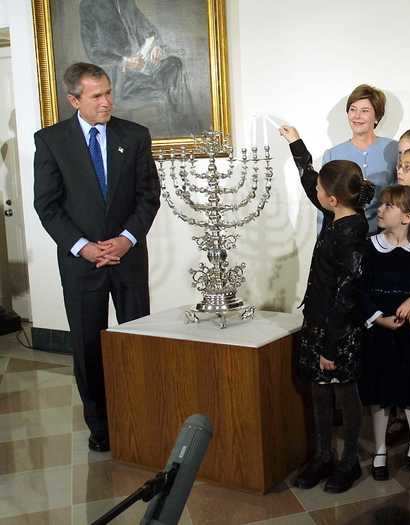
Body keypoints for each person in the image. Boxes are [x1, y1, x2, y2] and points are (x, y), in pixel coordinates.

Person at [33, 62, 161, 452]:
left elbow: (148, 196)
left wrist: (125, 239)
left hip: (128, 260)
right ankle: (101, 425)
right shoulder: (51, 140)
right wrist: (83, 247)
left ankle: (143, 413)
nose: (107, 101)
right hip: (80, 265)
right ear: (74, 99)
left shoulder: (135, 135)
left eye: (108, 92)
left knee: (137, 340)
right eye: (97, 96)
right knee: (88, 347)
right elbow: (47, 205)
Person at [279, 124, 374, 494]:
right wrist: (296, 144)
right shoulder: (338, 214)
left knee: (343, 391)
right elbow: (310, 182)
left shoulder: (351, 231)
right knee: (319, 389)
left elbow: (347, 291)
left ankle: (348, 462)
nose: (314, 191)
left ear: (331, 199)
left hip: (339, 330)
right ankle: (323, 456)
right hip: (319, 322)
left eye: (320, 190)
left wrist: (331, 346)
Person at [360, 185, 410, 481]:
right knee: (380, 390)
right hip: (379, 329)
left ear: (407, 216)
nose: (380, 209)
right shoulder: (369, 245)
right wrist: (377, 318)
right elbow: (359, 289)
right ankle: (380, 449)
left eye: (389, 206)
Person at [79, 0, 200, 134]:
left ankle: (187, 128)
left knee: (174, 64)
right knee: (162, 96)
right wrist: (124, 61)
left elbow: (147, 29)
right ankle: (175, 131)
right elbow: (93, 52)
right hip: (118, 76)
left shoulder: (126, 2)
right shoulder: (89, 5)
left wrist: (156, 45)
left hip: (142, 68)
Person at [322, 84, 398, 233]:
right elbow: (325, 206)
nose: (357, 116)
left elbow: (405, 196)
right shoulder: (332, 155)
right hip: (345, 238)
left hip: (387, 237)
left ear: (376, 117)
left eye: (365, 111)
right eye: (353, 109)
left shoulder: (394, 149)